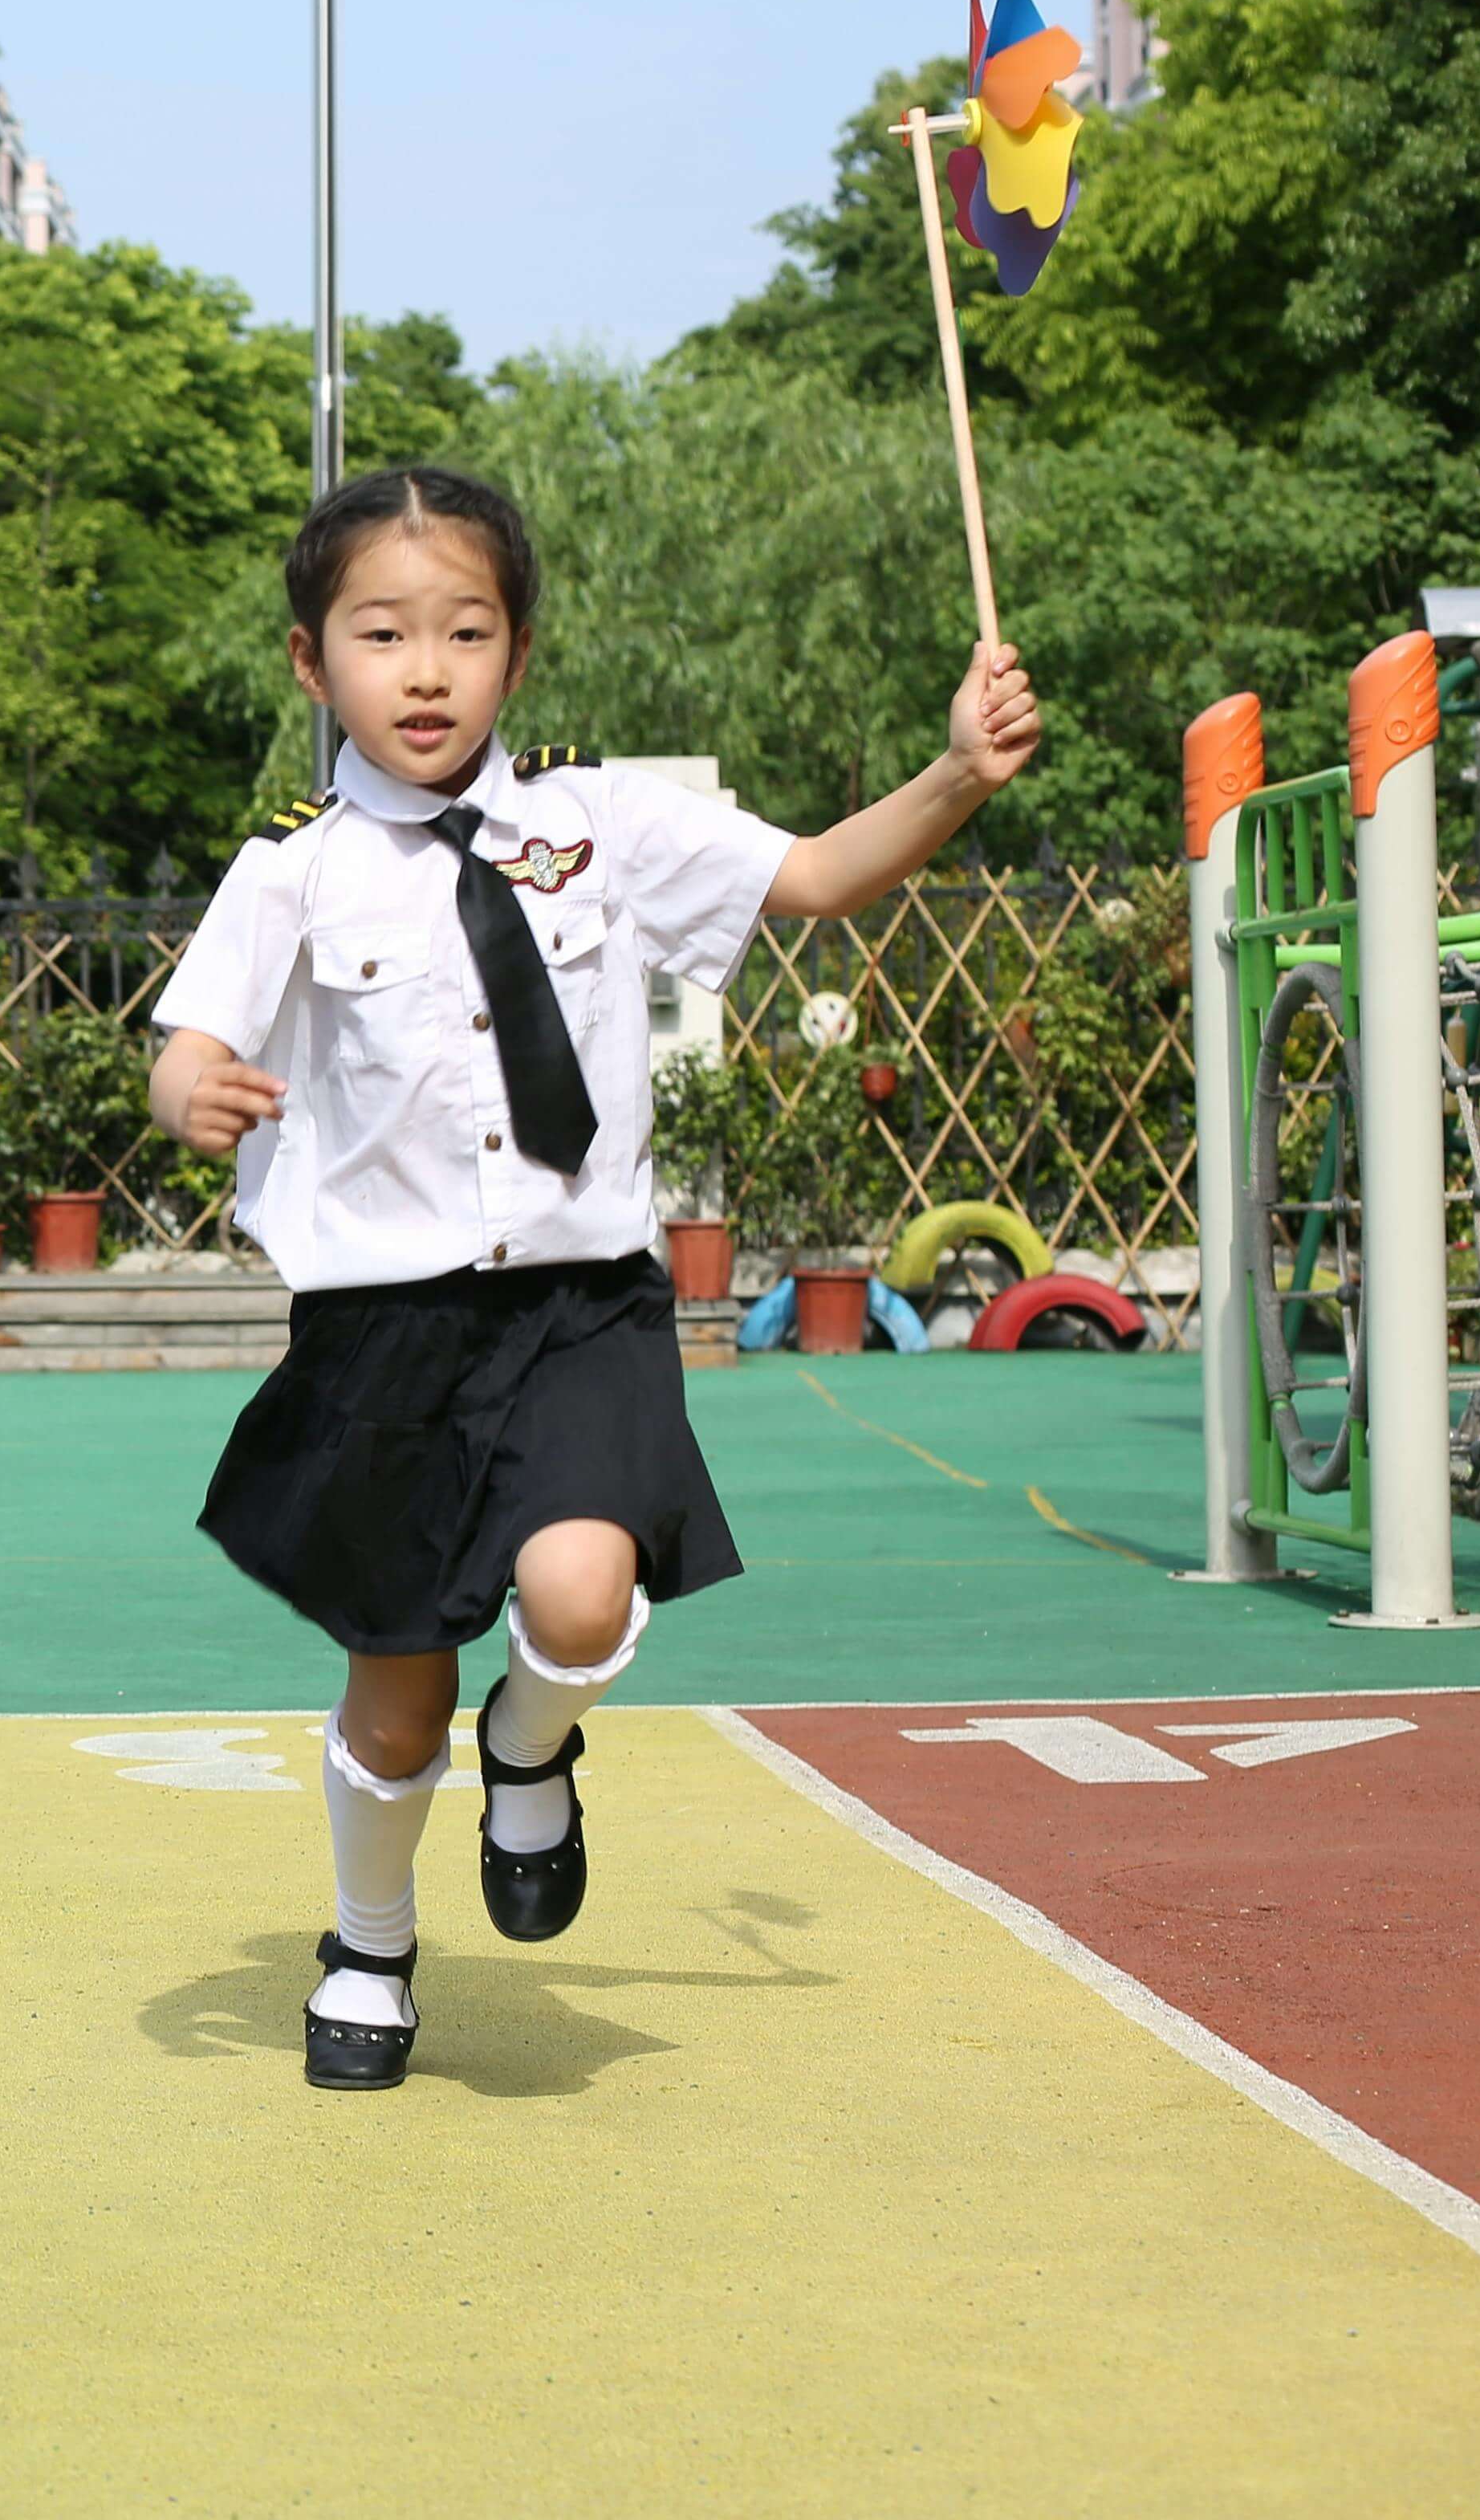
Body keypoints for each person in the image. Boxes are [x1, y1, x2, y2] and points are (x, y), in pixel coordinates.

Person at [146, 464, 1039, 2088]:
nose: (427, 670)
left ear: (520, 652)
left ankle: (533, 1744)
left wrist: (958, 776)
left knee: (581, 1593)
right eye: (384, 633)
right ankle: (370, 1941)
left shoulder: (602, 825)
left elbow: (824, 875)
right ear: (309, 661)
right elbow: (191, 1041)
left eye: (467, 632)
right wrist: (191, 1092)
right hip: (385, 1336)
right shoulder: (294, 869)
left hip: (578, 1308)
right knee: (393, 1703)